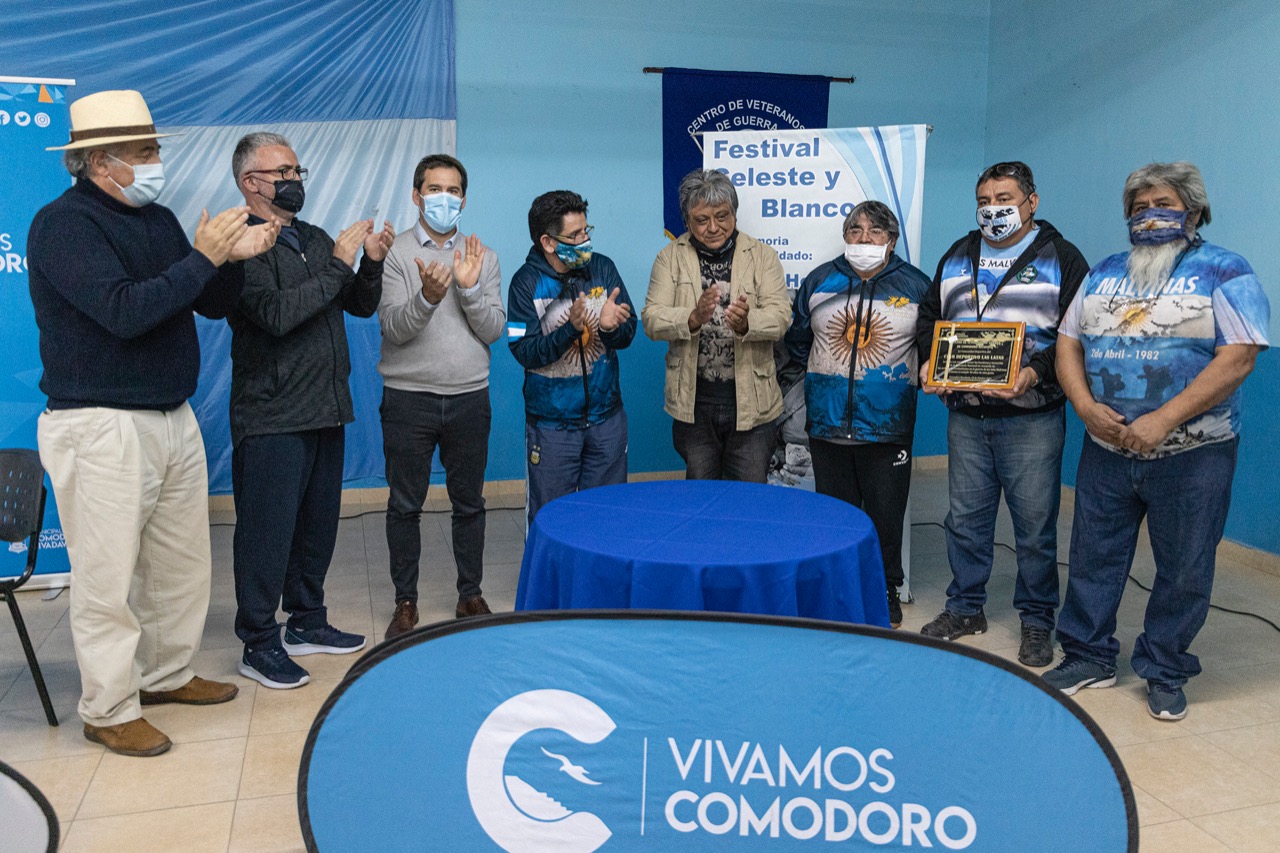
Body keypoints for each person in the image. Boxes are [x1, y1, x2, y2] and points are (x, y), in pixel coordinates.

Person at [28, 90, 277, 756]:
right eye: (144, 152)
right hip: (99, 423)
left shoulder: (160, 220)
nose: (156, 161)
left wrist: (233, 259)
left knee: (179, 564)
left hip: (171, 414)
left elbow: (209, 302)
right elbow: (125, 312)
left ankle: (165, 675)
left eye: (155, 149)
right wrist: (204, 257)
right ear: (97, 161)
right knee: (108, 577)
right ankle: (108, 707)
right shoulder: (63, 225)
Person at [1044, 162, 1269, 720]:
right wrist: (1085, 407)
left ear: (1193, 211)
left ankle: (1165, 669)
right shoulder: (1103, 273)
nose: (1148, 216)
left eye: (1162, 205)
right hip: (1106, 449)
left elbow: (1240, 355)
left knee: (1185, 566)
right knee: (1093, 556)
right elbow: (1068, 343)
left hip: (1194, 453)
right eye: (1138, 208)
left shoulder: (1226, 270)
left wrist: (1163, 419)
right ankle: (1088, 655)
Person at [228, 132, 395, 689]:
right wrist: (340, 266)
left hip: (326, 406)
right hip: (272, 413)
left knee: (316, 528)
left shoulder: (316, 237)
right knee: (266, 533)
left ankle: (306, 620)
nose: (294, 180)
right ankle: (258, 641)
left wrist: (369, 264)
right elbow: (276, 315)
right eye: (283, 172)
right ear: (251, 182)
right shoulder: (240, 241)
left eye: (298, 171)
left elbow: (359, 305)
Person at [915, 161, 1088, 667]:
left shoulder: (1062, 258)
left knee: (1034, 527)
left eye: (1004, 199)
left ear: (1032, 202)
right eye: (984, 201)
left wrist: (1033, 373)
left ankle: (1037, 619)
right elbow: (929, 315)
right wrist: (929, 357)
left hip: (1031, 418)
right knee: (965, 521)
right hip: (967, 417)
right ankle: (965, 608)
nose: (993, 210)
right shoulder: (958, 253)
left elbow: (1076, 335)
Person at [785, 201, 932, 628]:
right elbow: (796, 343)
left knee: (886, 517)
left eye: (875, 231)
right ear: (845, 236)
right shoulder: (820, 281)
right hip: (827, 424)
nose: (864, 239)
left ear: (892, 240)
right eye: (855, 231)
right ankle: (835, 590)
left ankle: (886, 590)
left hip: (887, 427)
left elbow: (931, 349)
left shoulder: (917, 286)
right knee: (835, 519)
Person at [378, 154, 504, 637]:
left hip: (470, 397)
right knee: (404, 505)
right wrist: (428, 297)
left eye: (453, 191)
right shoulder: (395, 254)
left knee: (469, 503)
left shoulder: (481, 255)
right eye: (434, 189)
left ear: (464, 200)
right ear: (417, 195)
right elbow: (394, 328)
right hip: (408, 398)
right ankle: (405, 602)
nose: (444, 199)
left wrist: (468, 290)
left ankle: (470, 595)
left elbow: (493, 330)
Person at [642, 169, 791, 481]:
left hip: (754, 403)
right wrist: (692, 318)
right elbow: (652, 319)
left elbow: (781, 318)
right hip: (694, 404)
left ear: (734, 213)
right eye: (702, 220)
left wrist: (748, 324)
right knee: (701, 494)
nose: (713, 228)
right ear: (687, 221)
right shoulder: (669, 258)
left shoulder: (762, 256)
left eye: (722, 216)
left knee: (748, 496)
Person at [507, 191, 636, 524]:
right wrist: (569, 331)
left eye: (586, 230)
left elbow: (628, 331)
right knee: (551, 521)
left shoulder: (603, 269)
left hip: (607, 421)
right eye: (575, 235)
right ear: (548, 242)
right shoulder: (524, 284)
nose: (585, 241)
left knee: (606, 517)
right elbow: (523, 351)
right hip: (552, 427)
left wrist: (609, 328)